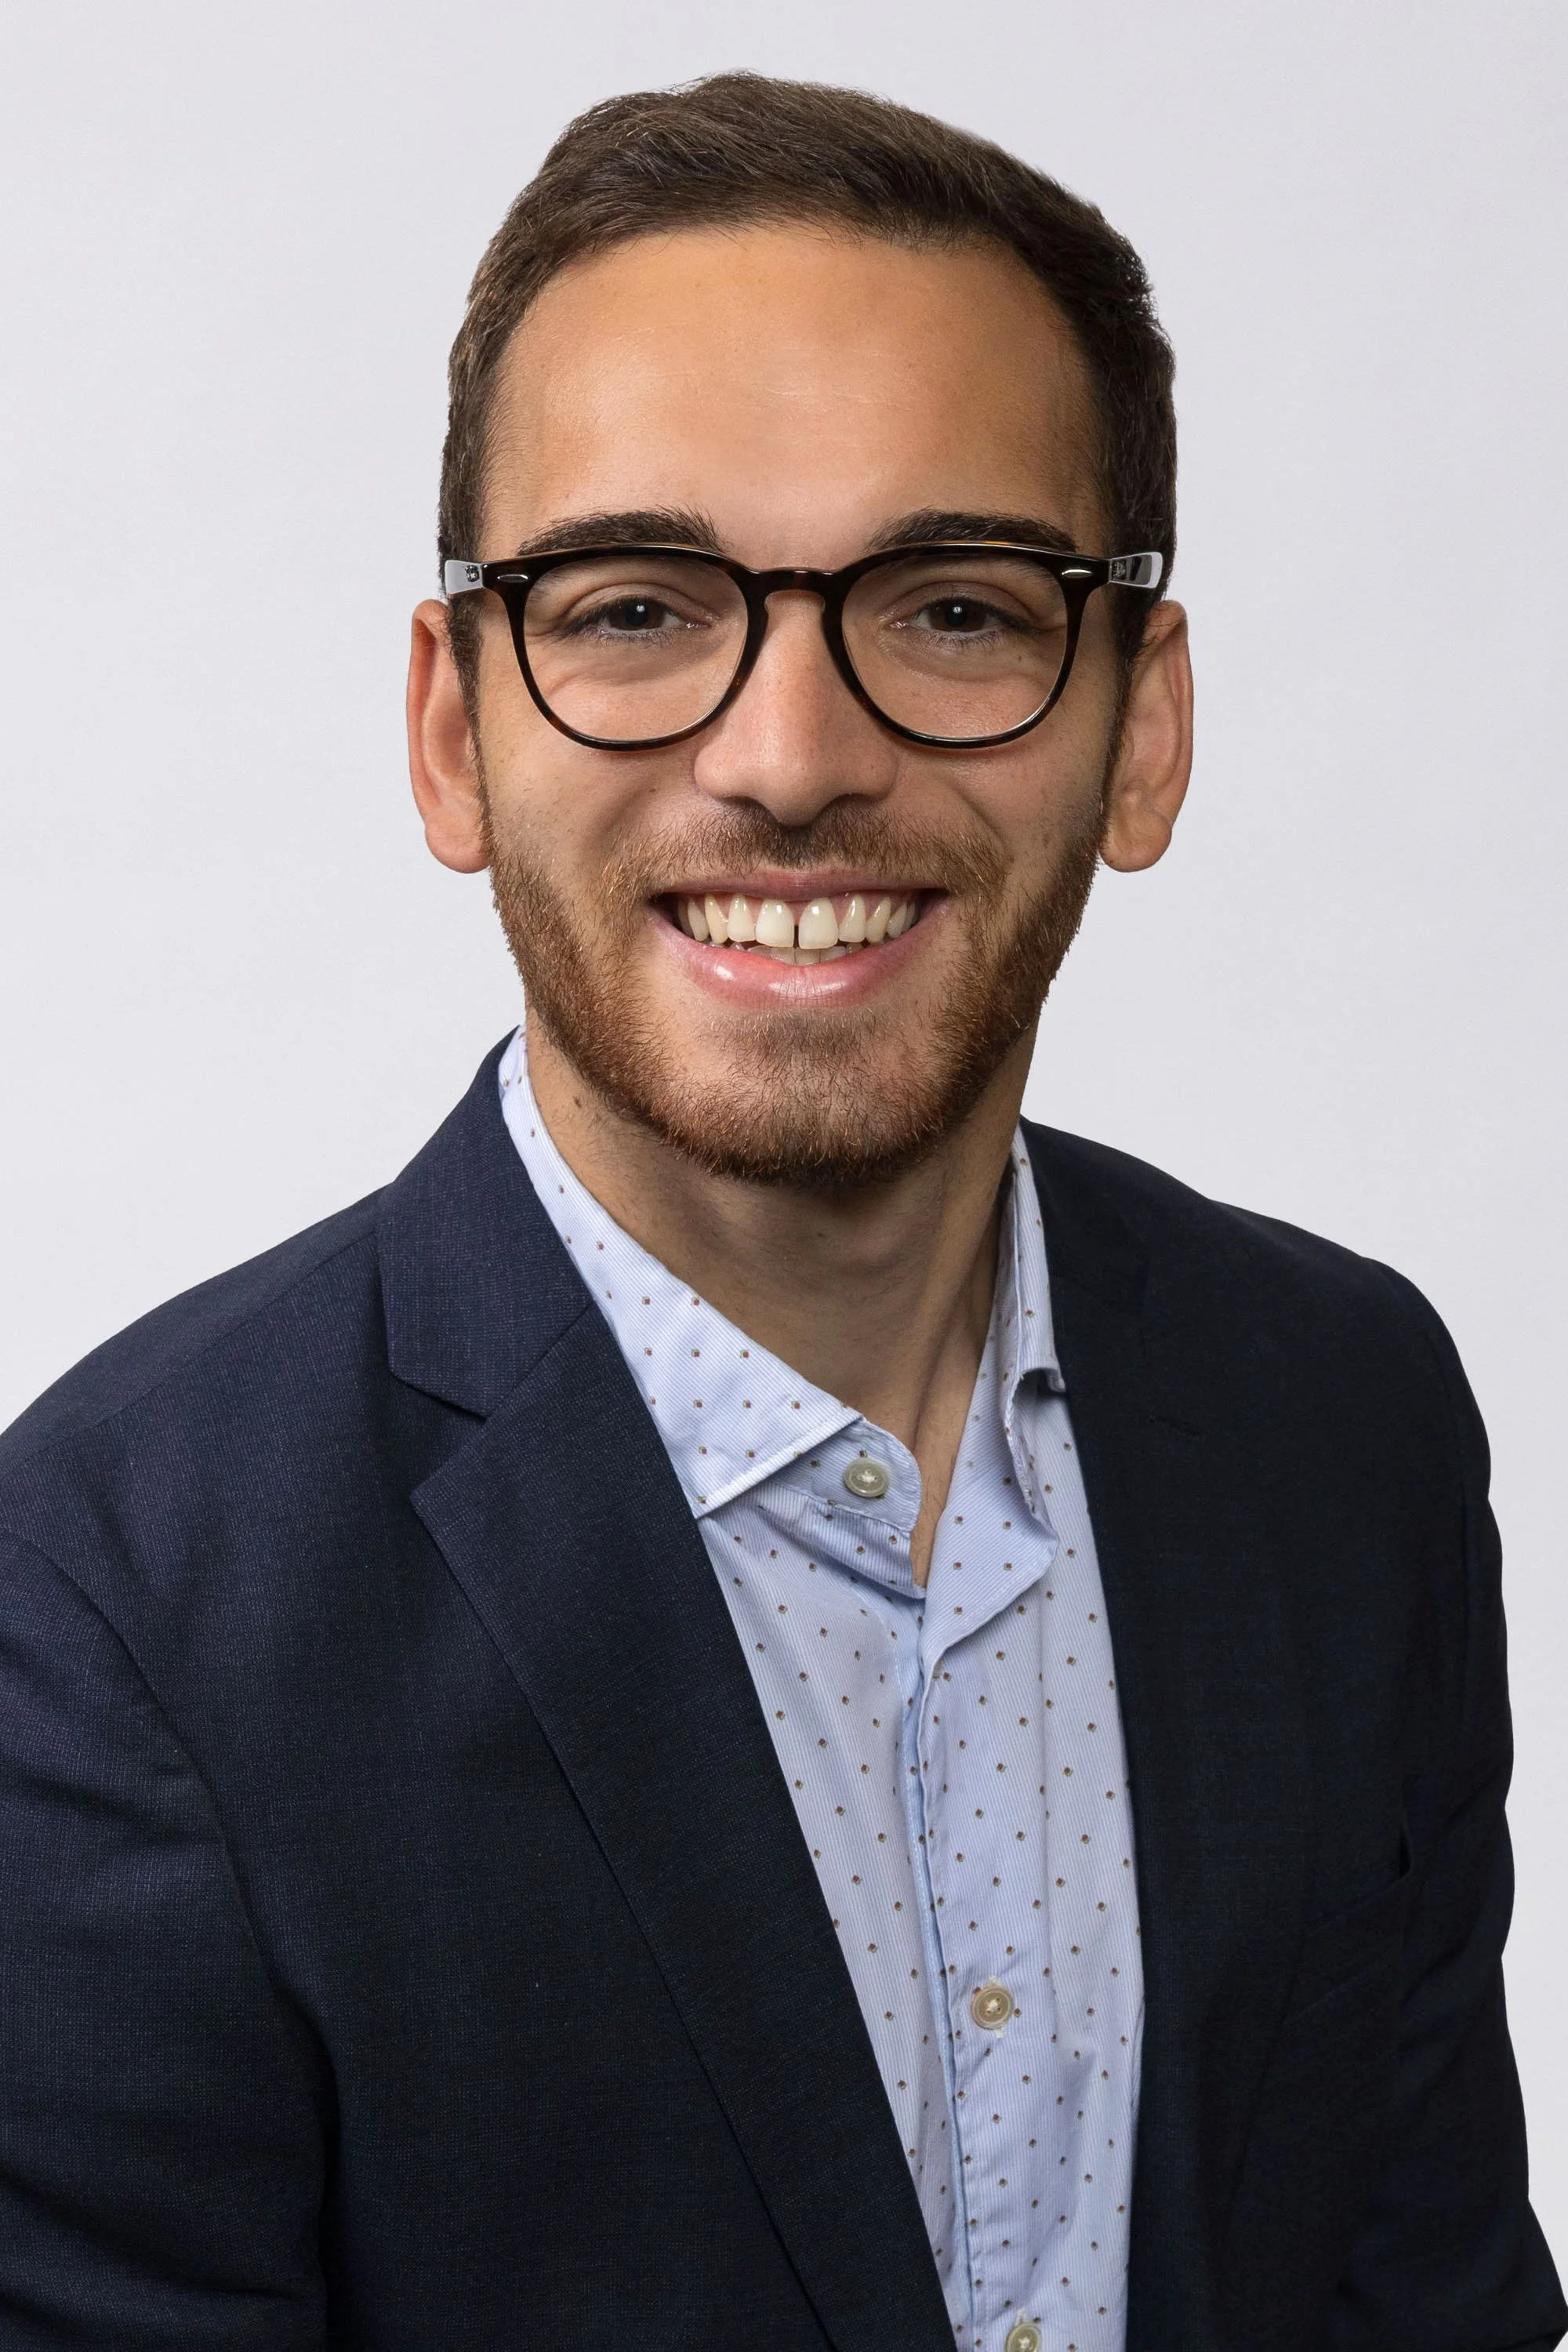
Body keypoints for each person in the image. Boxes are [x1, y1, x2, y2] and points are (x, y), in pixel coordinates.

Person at [0, 70, 1559, 2352]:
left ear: (1142, 726)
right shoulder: (119, 1602)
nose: (793, 753)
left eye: (952, 605)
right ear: (454, 734)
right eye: (637, 604)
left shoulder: (1346, 1417)